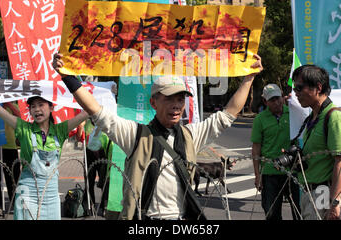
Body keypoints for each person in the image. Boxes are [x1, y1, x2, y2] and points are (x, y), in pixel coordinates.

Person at [52, 52, 263, 220]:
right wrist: (67, 76)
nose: (176, 105)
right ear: (153, 103)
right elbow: (97, 112)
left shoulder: (191, 135)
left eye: (181, 99)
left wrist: (249, 78)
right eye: (169, 99)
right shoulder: (136, 135)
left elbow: (228, 114)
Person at [0, 94, 89, 220]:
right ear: (30, 111)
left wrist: (107, 94)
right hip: (27, 192)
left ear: (51, 108)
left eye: (41, 105)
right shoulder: (24, 128)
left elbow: (86, 112)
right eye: (33, 106)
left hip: (51, 194)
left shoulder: (61, 130)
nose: (37, 109)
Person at [292, 65, 341, 220]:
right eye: (294, 88)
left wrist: (334, 202)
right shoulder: (313, 118)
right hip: (311, 192)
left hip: (325, 193)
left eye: (299, 87)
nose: (295, 93)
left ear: (318, 87)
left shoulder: (334, 117)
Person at [251, 84, 300, 220]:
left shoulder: (293, 113)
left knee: (299, 211)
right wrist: (257, 175)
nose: (277, 102)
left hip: (292, 170)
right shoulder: (260, 119)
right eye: (272, 100)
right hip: (269, 173)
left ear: (282, 97)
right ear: (265, 101)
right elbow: (256, 147)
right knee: (272, 214)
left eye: (278, 98)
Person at [0, 102, 21, 217]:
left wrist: (9, 105)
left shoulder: (13, 105)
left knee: (14, 177)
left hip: (10, 146)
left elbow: (20, 118)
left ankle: (16, 203)